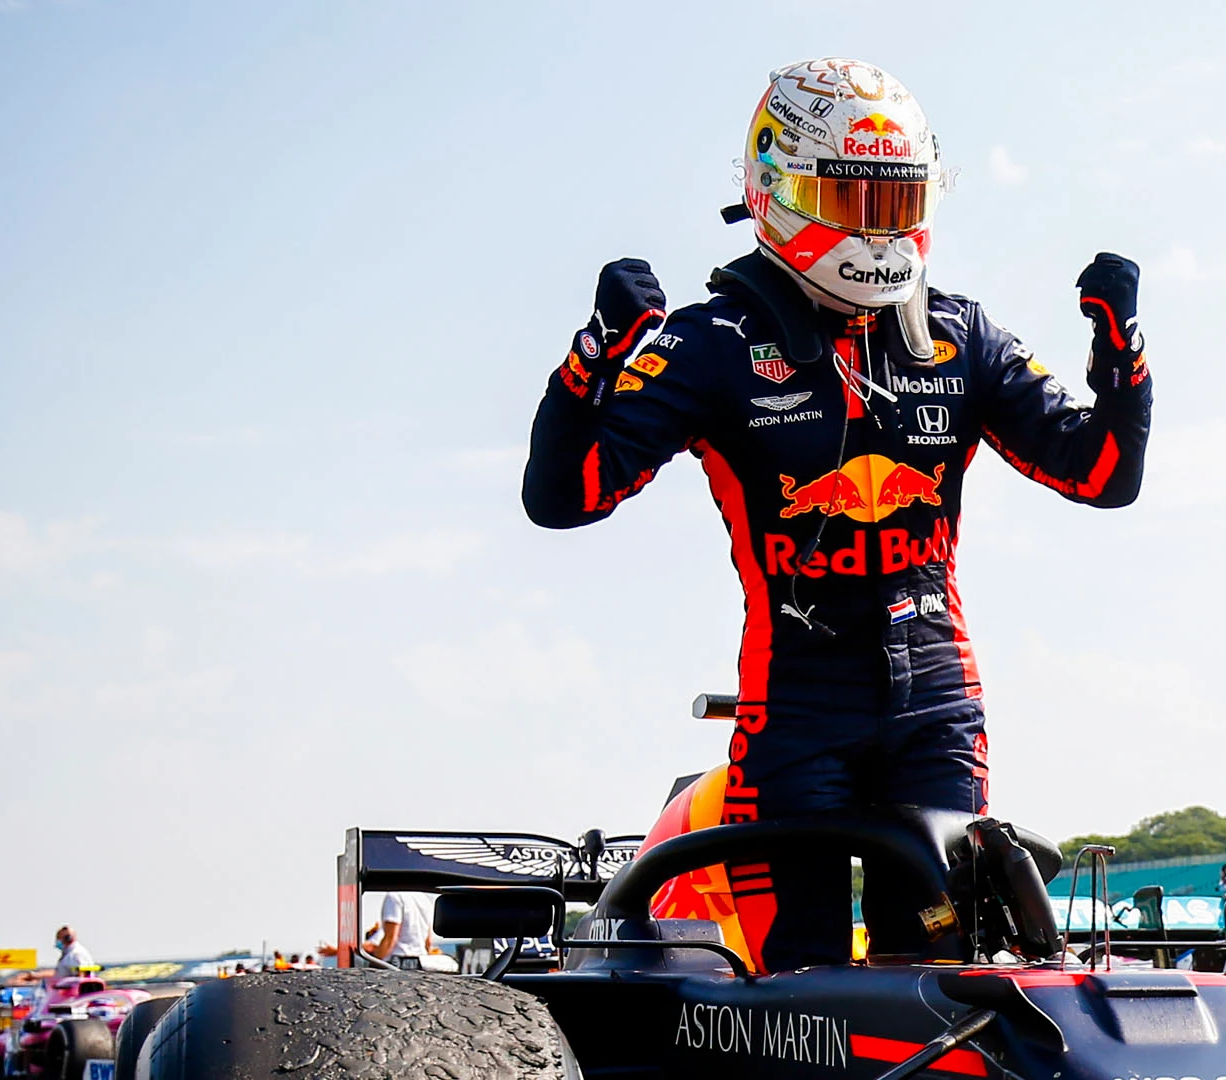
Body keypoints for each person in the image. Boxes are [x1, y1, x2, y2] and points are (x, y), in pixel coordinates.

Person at [523, 57, 1153, 972]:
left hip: (935, 698)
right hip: (797, 705)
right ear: (779, 192)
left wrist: (1122, 354)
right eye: (850, 199)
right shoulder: (711, 344)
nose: (875, 227)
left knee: (945, 975)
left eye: (893, 203)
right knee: (801, 987)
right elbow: (563, 496)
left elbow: (1104, 473)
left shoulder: (963, 334)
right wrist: (592, 359)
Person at [367, 892, 436, 970]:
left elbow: (391, 937)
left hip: (398, 961)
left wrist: (375, 961)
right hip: (420, 961)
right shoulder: (424, 899)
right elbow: (428, 941)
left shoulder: (394, 897)